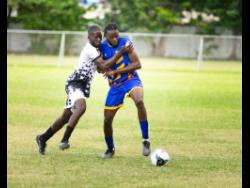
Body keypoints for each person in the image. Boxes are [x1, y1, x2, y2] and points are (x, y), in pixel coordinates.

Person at [36, 25, 132, 155]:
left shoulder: (98, 50)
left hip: (81, 86)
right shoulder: (90, 49)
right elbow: (103, 64)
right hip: (75, 83)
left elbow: (100, 68)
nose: (98, 38)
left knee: (65, 117)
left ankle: (42, 138)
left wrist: (110, 71)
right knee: (81, 107)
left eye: (100, 36)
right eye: (95, 36)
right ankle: (65, 139)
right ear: (88, 37)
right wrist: (119, 53)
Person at [99, 23, 151, 159]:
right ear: (106, 36)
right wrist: (106, 69)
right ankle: (110, 149)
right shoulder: (102, 47)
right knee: (106, 120)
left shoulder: (126, 43)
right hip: (115, 86)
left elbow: (137, 64)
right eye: (112, 37)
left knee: (139, 101)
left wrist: (116, 70)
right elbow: (100, 67)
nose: (115, 39)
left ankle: (145, 140)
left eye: (117, 35)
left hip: (130, 79)